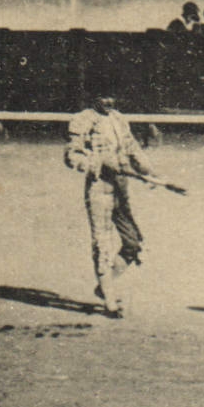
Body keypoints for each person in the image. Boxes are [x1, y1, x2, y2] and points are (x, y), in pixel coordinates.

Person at [64, 93, 154, 318]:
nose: (109, 102)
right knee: (102, 242)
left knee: (133, 243)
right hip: (99, 187)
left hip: (121, 188)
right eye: (103, 98)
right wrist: (99, 162)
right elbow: (72, 156)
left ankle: (105, 286)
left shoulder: (118, 119)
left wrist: (149, 172)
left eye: (112, 97)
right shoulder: (83, 119)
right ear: (94, 98)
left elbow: (132, 149)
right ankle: (109, 300)